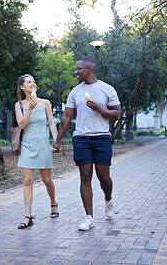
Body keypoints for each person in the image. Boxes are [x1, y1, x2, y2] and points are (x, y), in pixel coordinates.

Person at [52, 57, 122, 231]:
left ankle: (108, 198)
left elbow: (117, 114)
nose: (76, 72)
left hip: (102, 138)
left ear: (90, 69)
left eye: (79, 69)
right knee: (85, 177)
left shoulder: (106, 89)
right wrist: (58, 140)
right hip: (81, 138)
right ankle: (89, 217)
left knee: (104, 178)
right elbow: (66, 116)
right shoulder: (75, 92)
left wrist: (100, 109)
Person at [15, 74, 59, 229]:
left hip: (43, 146)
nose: (33, 83)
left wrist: (56, 140)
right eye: (29, 82)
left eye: (34, 81)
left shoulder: (45, 103)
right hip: (27, 146)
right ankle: (27, 216)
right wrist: (30, 109)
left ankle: (53, 203)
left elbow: (52, 124)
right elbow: (21, 125)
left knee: (47, 180)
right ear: (22, 87)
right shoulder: (19, 105)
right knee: (27, 181)